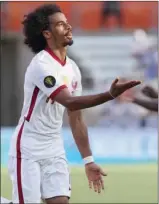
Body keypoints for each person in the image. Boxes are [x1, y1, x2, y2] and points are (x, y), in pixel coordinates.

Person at [8, 4, 141, 204]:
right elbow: (69, 100)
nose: (68, 27)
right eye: (61, 25)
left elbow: (76, 115)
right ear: (47, 33)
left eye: (67, 23)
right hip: (28, 148)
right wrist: (109, 95)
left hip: (54, 147)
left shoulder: (73, 69)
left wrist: (88, 161)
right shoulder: (41, 65)